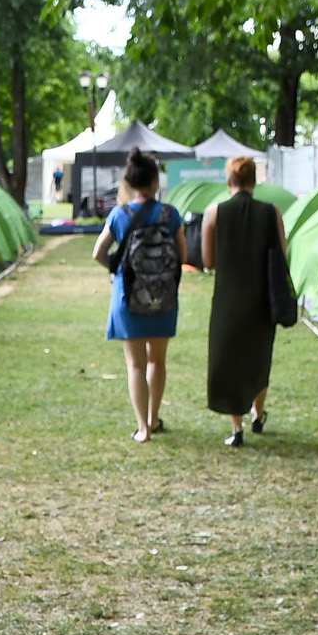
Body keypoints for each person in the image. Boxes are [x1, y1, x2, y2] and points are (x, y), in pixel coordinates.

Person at [95, 153, 182, 442]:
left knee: (135, 365)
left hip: (128, 296)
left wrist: (118, 270)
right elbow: (182, 254)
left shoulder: (119, 215)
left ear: (129, 183)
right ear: (156, 181)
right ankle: (153, 418)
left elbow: (98, 252)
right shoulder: (170, 215)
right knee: (157, 361)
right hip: (163, 298)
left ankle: (142, 429)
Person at [201, 155, 284, 447]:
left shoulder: (214, 213)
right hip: (262, 299)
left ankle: (236, 429)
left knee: (228, 361)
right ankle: (257, 413)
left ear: (229, 182)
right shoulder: (271, 212)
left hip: (228, 298)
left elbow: (208, 261)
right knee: (258, 360)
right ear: (254, 182)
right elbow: (282, 255)